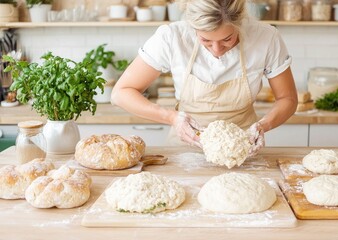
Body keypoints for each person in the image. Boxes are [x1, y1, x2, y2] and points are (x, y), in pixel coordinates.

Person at [111, 0, 298, 156]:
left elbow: (287, 99)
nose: (216, 50)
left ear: (240, 23)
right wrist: (171, 117)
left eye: (227, 39)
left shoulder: (265, 37)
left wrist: (263, 126)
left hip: (242, 150)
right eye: (206, 40)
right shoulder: (171, 37)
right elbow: (121, 93)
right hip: (184, 153)